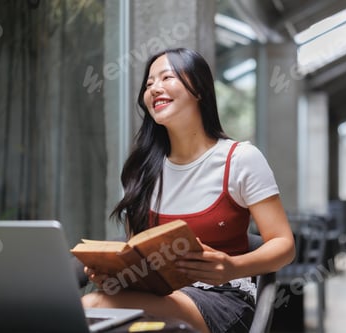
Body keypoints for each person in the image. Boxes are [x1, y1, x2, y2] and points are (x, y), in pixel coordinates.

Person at [81, 47, 295, 333]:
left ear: (199, 90)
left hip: (222, 299)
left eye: (166, 77)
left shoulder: (240, 158)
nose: (155, 88)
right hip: (160, 296)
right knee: (93, 306)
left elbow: (284, 245)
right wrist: (117, 277)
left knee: (93, 306)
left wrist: (233, 267)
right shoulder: (142, 169)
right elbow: (138, 252)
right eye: (148, 84)